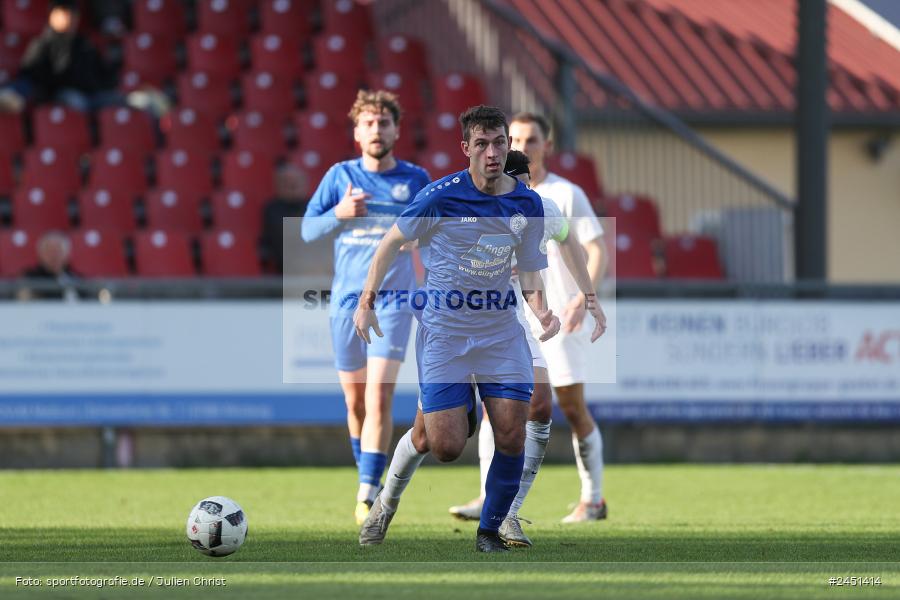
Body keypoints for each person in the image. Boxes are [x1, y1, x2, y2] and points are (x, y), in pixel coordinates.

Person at [355, 106, 568, 552]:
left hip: (499, 332)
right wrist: (366, 300)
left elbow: (529, 270)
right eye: (483, 144)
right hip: (445, 334)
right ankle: (384, 506)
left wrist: (541, 309)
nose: (492, 153)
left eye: (499, 143)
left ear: (507, 145)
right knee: (443, 445)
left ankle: (489, 531)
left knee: (512, 430)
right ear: (466, 148)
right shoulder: (440, 197)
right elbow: (391, 243)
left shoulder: (526, 204)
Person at [448, 149, 607, 547]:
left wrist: (586, 298)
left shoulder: (556, 199)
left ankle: (516, 509)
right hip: (492, 321)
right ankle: (382, 499)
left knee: (554, 406)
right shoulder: (470, 199)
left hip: (548, 319)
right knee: (440, 435)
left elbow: (581, 244)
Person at [301, 90, 430, 525]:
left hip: (393, 301)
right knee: (354, 403)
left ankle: (366, 493)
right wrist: (339, 213)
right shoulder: (340, 177)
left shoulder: (415, 180)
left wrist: (422, 239)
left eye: (385, 123)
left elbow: (436, 234)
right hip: (345, 304)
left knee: (379, 395)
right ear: (357, 133)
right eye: (369, 123)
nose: (378, 130)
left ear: (397, 129)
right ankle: (367, 476)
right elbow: (305, 232)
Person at [510, 112, 609, 523]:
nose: (521, 146)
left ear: (547, 145)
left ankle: (594, 499)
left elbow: (597, 248)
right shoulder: (501, 194)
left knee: (569, 404)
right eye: (514, 138)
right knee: (500, 405)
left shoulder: (566, 194)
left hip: (561, 319)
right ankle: (489, 496)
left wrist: (582, 299)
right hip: (515, 316)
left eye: (531, 139)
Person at [0, 0, 120, 114]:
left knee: (118, 100)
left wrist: (115, 60)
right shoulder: (44, 43)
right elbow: (33, 74)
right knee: (73, 100)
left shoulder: (84, 43)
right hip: (63, 94)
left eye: (72, 15)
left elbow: (103, 75)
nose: (69, 20)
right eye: (63, 15)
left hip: (91, 94)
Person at [262, 165, 310, 273]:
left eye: (297, 182)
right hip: (284, 268)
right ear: (278, 185)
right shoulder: (272, 209)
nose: (293, 186)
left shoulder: (315, 206)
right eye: (287, 183)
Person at [17, 231, 81, 302]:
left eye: (58, 251)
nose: (54, 256)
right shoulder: (29, 279)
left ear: (67, 254)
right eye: (49, 251)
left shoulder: (76, 279)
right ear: (41, 255)